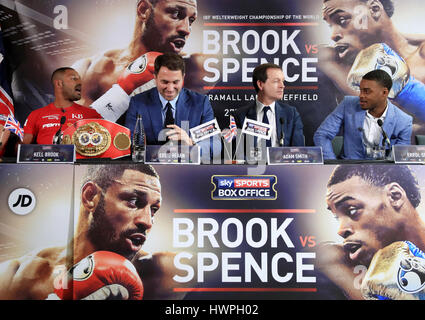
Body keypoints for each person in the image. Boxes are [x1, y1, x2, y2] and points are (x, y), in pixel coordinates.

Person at [0, 164, 184, 300]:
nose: (147, 221)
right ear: (90, 197)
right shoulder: (19, 276)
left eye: (154, 210)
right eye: (134, 201)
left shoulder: (164, 272)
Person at [73, 0, 209, 124]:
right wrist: (122, 92)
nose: (186, 29)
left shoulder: (196, 68)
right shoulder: (90, 70)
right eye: (175, 14)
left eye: (191, 20)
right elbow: (69, 138)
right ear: (144, 10)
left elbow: (209, 138)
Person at [317, 164, 425, 299]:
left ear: (395, 196)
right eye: (337, 217)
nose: (341, 230)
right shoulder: (336, 261)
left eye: (352, 210)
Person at [319, 0, 425, 122]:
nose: (333, 35)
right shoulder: (336, 64)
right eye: (330, 25)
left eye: (342, 20)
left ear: (374, 9)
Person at [125, 52, 221, 160]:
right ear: (155, 78)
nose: (170, 89)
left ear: (183, 77)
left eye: (176, 82)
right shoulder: (138, 103)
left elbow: (215, 144)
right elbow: (129, 142)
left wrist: (190, 144)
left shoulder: (200, 103)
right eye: (165, 82)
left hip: (187, 170)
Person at [313, 69, 412, 160]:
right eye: (360, 90)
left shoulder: (404, 121)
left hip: (381, 173)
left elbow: (400, 159)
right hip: (348, 169)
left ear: (384, 93)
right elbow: (322, 135)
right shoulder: (348, 104)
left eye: (367, 92)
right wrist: (333, 163)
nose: (361, 96)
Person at [232, 63, 304, 159]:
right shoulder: (239, 116)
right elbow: (236, 154)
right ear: (260, 84)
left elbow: (298, 152)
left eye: (282, 81)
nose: (282, 86)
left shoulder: (291, 114)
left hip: (283, 170)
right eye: (276, 81)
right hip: (251, 170)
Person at [22, 68, 102, 145]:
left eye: (80, 79)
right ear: (59, 83)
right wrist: (12, 129)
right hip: (47, 158)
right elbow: (21, 148)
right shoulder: (36, 115)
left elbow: (105, 143)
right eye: (74, 78)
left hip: (80, 158)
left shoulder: (92, 115)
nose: (80, 82)